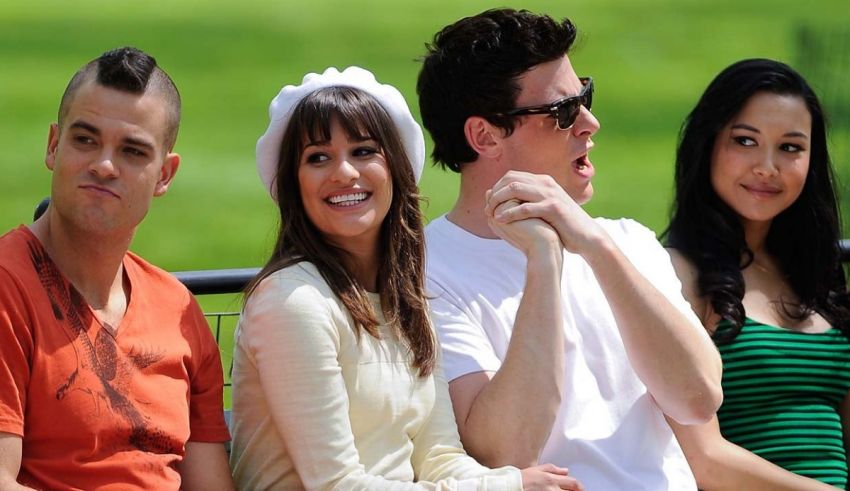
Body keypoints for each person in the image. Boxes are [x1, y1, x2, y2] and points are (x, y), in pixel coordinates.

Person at [229, 65, 581, 490]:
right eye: (317, 158)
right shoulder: (293, 302)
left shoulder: (408, 303)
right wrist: (507, 486)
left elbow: (440, 458)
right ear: (294, 185)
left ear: (395, 168)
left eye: (363, 151)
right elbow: (335, 484)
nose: (343, 172)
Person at [416, 8, 724, 490]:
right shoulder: (426, 271)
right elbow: (503, 455)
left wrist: (596, 246)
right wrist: (544, 261)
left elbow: (699, 397)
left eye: (585, 95)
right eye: (562, 111)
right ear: (485, 135)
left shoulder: (626, 243)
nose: (590, 123)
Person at [0, 48, 234, 490]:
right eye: (85, 140)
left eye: (132, 151)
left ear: (164, 175)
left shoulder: (180, 313)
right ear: (53, 145)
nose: (103, 165)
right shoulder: (7, 288)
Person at [664, 58, 850, 490]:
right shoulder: (676, 274)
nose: (768, 166)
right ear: (707, 144)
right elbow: (704, 460)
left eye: (790, 147)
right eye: (745, 141)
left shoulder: (822, 279)